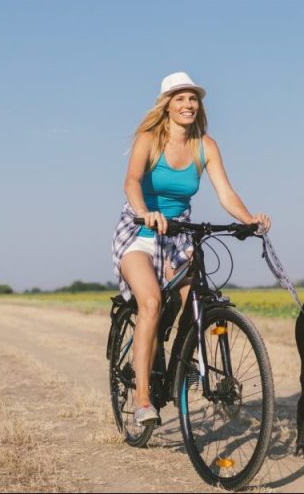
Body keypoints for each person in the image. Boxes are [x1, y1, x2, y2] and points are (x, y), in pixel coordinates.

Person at [111, 71, 271, 427]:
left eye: (193, 98)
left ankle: (179, 362)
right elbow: (131, 181)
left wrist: (249, 220)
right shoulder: (149, 139)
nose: (187, 104)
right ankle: (141, 399)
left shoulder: (206, 146)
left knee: (194, 297)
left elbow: (226, 193)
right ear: (166, 105)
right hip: (140, 232)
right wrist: (144, 212)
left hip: (179, 232)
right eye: (180, 98)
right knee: (150, 302)